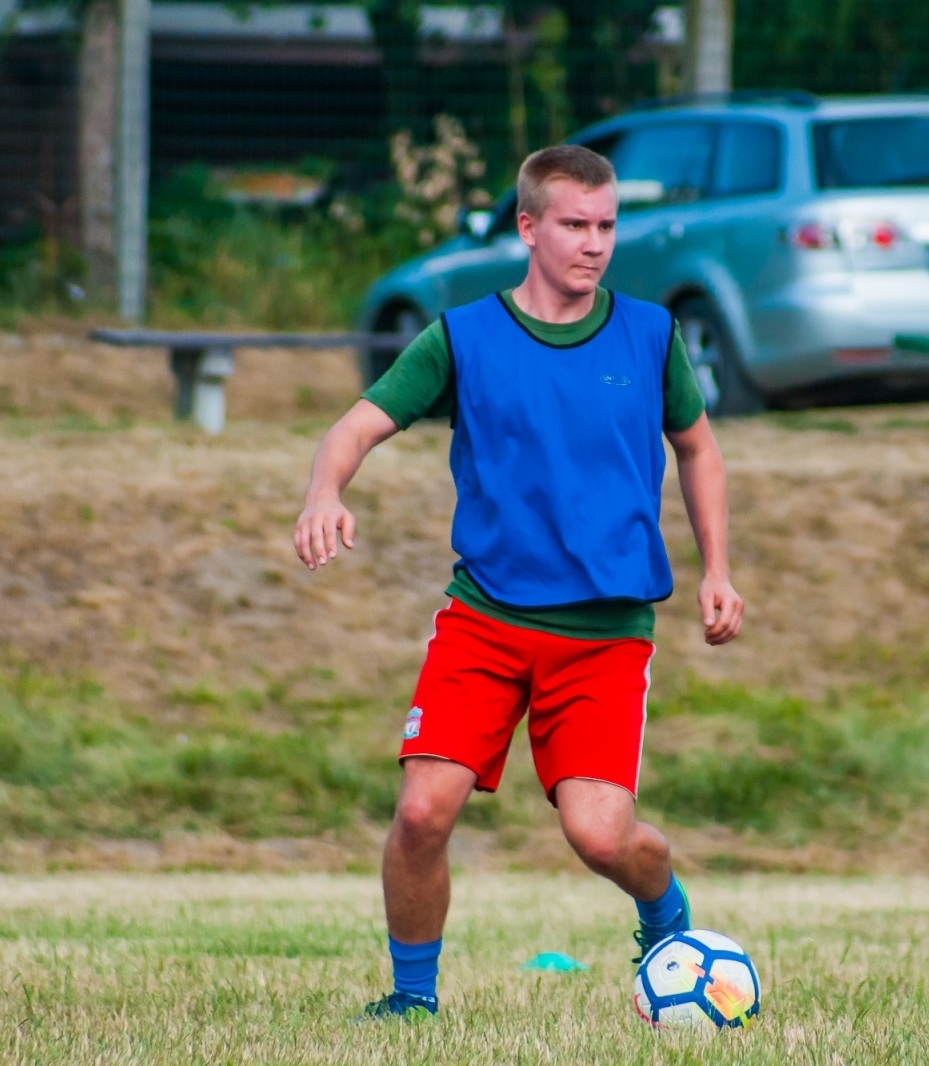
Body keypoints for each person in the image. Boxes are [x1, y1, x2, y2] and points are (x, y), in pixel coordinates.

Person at [292, 145, 744, 1021]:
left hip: (606, 636)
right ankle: (411, 1001)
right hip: (486, 620)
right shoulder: (464, 336)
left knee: (600, 837)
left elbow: (698, 448)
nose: (595, 243)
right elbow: (356, 425)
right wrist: (324, 492)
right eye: (575, 224)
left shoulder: (649, 334)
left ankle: (667, 915)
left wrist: (717, 571)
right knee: (423, 814)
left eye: (608, 225)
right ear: (528, 227)